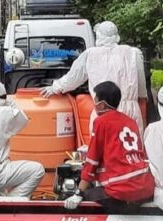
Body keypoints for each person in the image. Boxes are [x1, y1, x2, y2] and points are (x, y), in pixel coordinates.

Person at [40, 21, 148, 135]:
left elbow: (73, 79)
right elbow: (141, 87)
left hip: (104, 112)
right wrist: (141, 100)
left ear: (99, 35)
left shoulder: (91, 55)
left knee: (103, 148)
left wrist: (54, 87)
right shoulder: (133, 53)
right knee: (130, 147)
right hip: (130, 111)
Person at [64, 81, 155, 212]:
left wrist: (79, 193)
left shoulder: (101, 122)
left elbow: (92, 160)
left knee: (82, 202)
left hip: (122, 189)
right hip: (145, 186)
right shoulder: (131, 122)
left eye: (95, 100)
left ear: (101, 104)